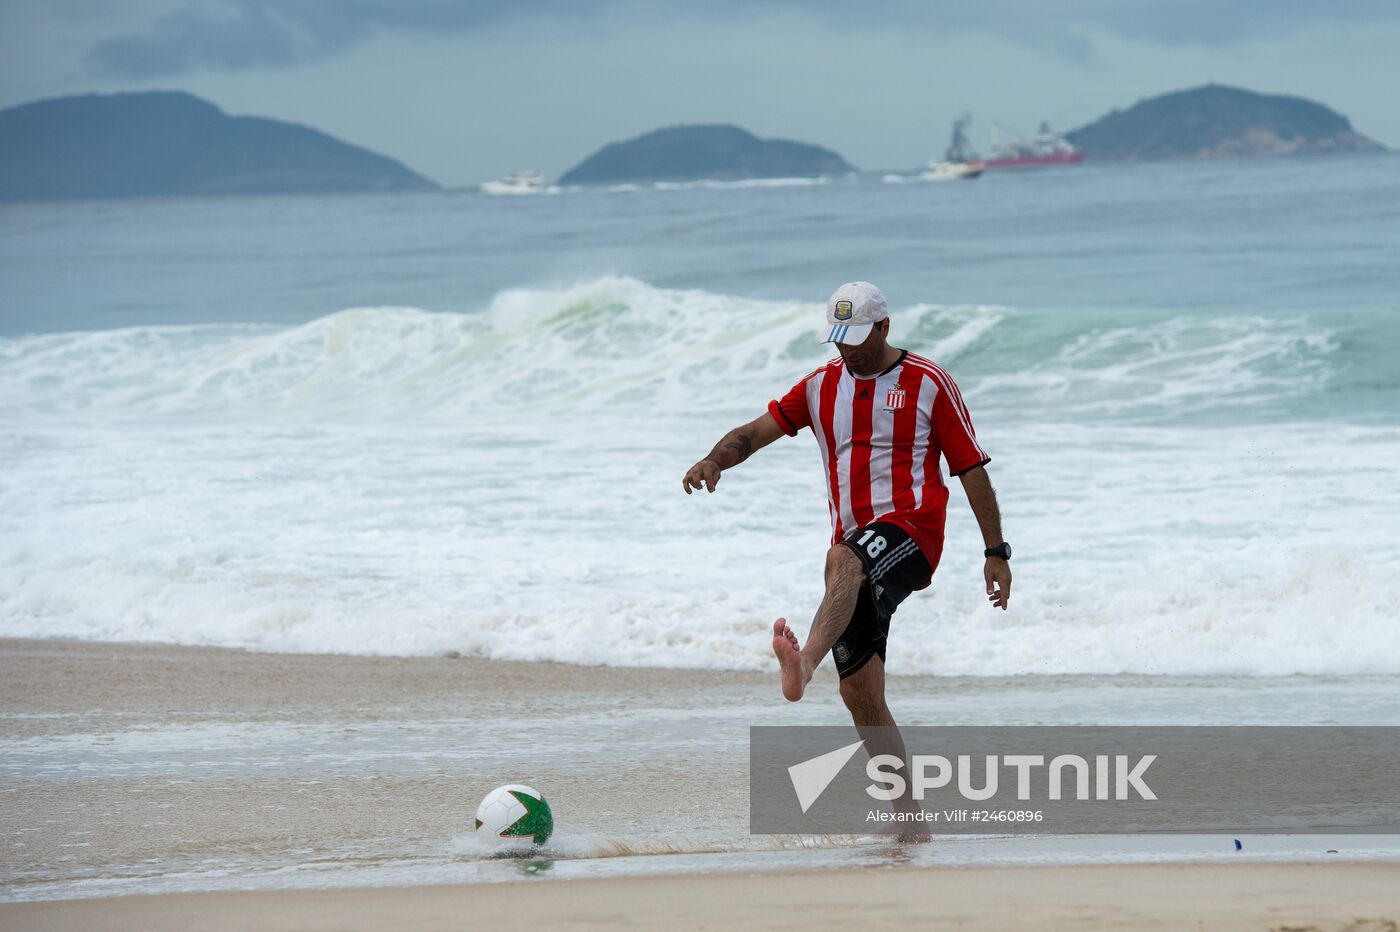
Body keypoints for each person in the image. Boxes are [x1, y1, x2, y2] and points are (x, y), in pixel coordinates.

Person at [682, 281, 1012, 735]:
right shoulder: (821, 386)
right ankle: (907, 807)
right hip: (853, 554)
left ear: (884, 327)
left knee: (842, 558)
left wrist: (995, 550)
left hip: (913, 532)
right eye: (839, 338)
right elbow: (756, 432)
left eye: (856, 338)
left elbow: (971, 467)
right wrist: (714, 460)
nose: (846, 349)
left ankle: (805, 665)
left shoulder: (929, 383)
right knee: (860, 694)